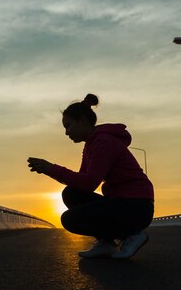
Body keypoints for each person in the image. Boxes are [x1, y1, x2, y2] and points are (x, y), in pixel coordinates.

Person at [27, 94, 154, 259]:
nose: (66, 133)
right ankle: (107, 242)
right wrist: (48, 170)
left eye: (68, 126)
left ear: (82, 120)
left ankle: (132, 235)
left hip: (136, 206)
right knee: (71, 193)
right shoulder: (91, 145)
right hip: (122, 203)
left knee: (70, 219)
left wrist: (51, 168)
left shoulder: (103, 142)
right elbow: (81, 183)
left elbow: (89, 183)